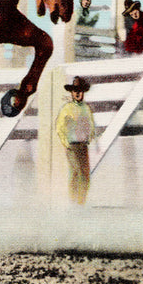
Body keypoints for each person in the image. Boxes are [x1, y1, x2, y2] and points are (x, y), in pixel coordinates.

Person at [55, 76, 97, 205]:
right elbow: (59, 127)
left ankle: (81, 202)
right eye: (75, 91)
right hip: (72, 146)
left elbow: (91, 124)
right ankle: (73, 202)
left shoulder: (86, 108)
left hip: (83, 145)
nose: (77, 93)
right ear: (72, 93)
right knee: (76, 172)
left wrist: (89, 137)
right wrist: (66, 142)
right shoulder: (67, 108)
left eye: (80, 90)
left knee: (85, 174)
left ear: (83, 92)